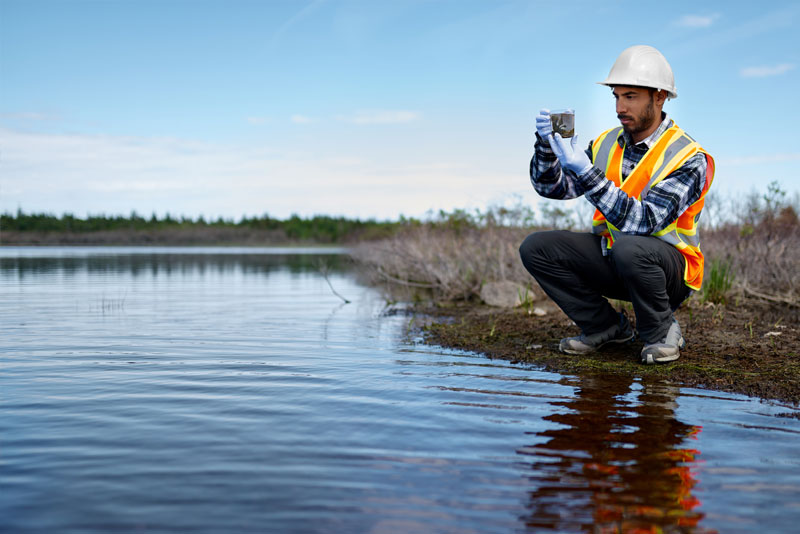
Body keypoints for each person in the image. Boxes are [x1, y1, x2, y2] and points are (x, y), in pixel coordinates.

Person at [519, 45, 715, 364]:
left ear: (660, 96)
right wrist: (546, 148)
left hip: (668, 272)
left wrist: (585, 170)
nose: (620, 107)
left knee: (631, 248)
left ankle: (661, 332)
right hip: (615, 258)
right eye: (616, 96)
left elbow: (645, 221)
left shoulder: (689, 157)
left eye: (631, 96)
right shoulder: (606, 143)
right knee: (536, 247)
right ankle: (605, 327)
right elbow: (552, 188)